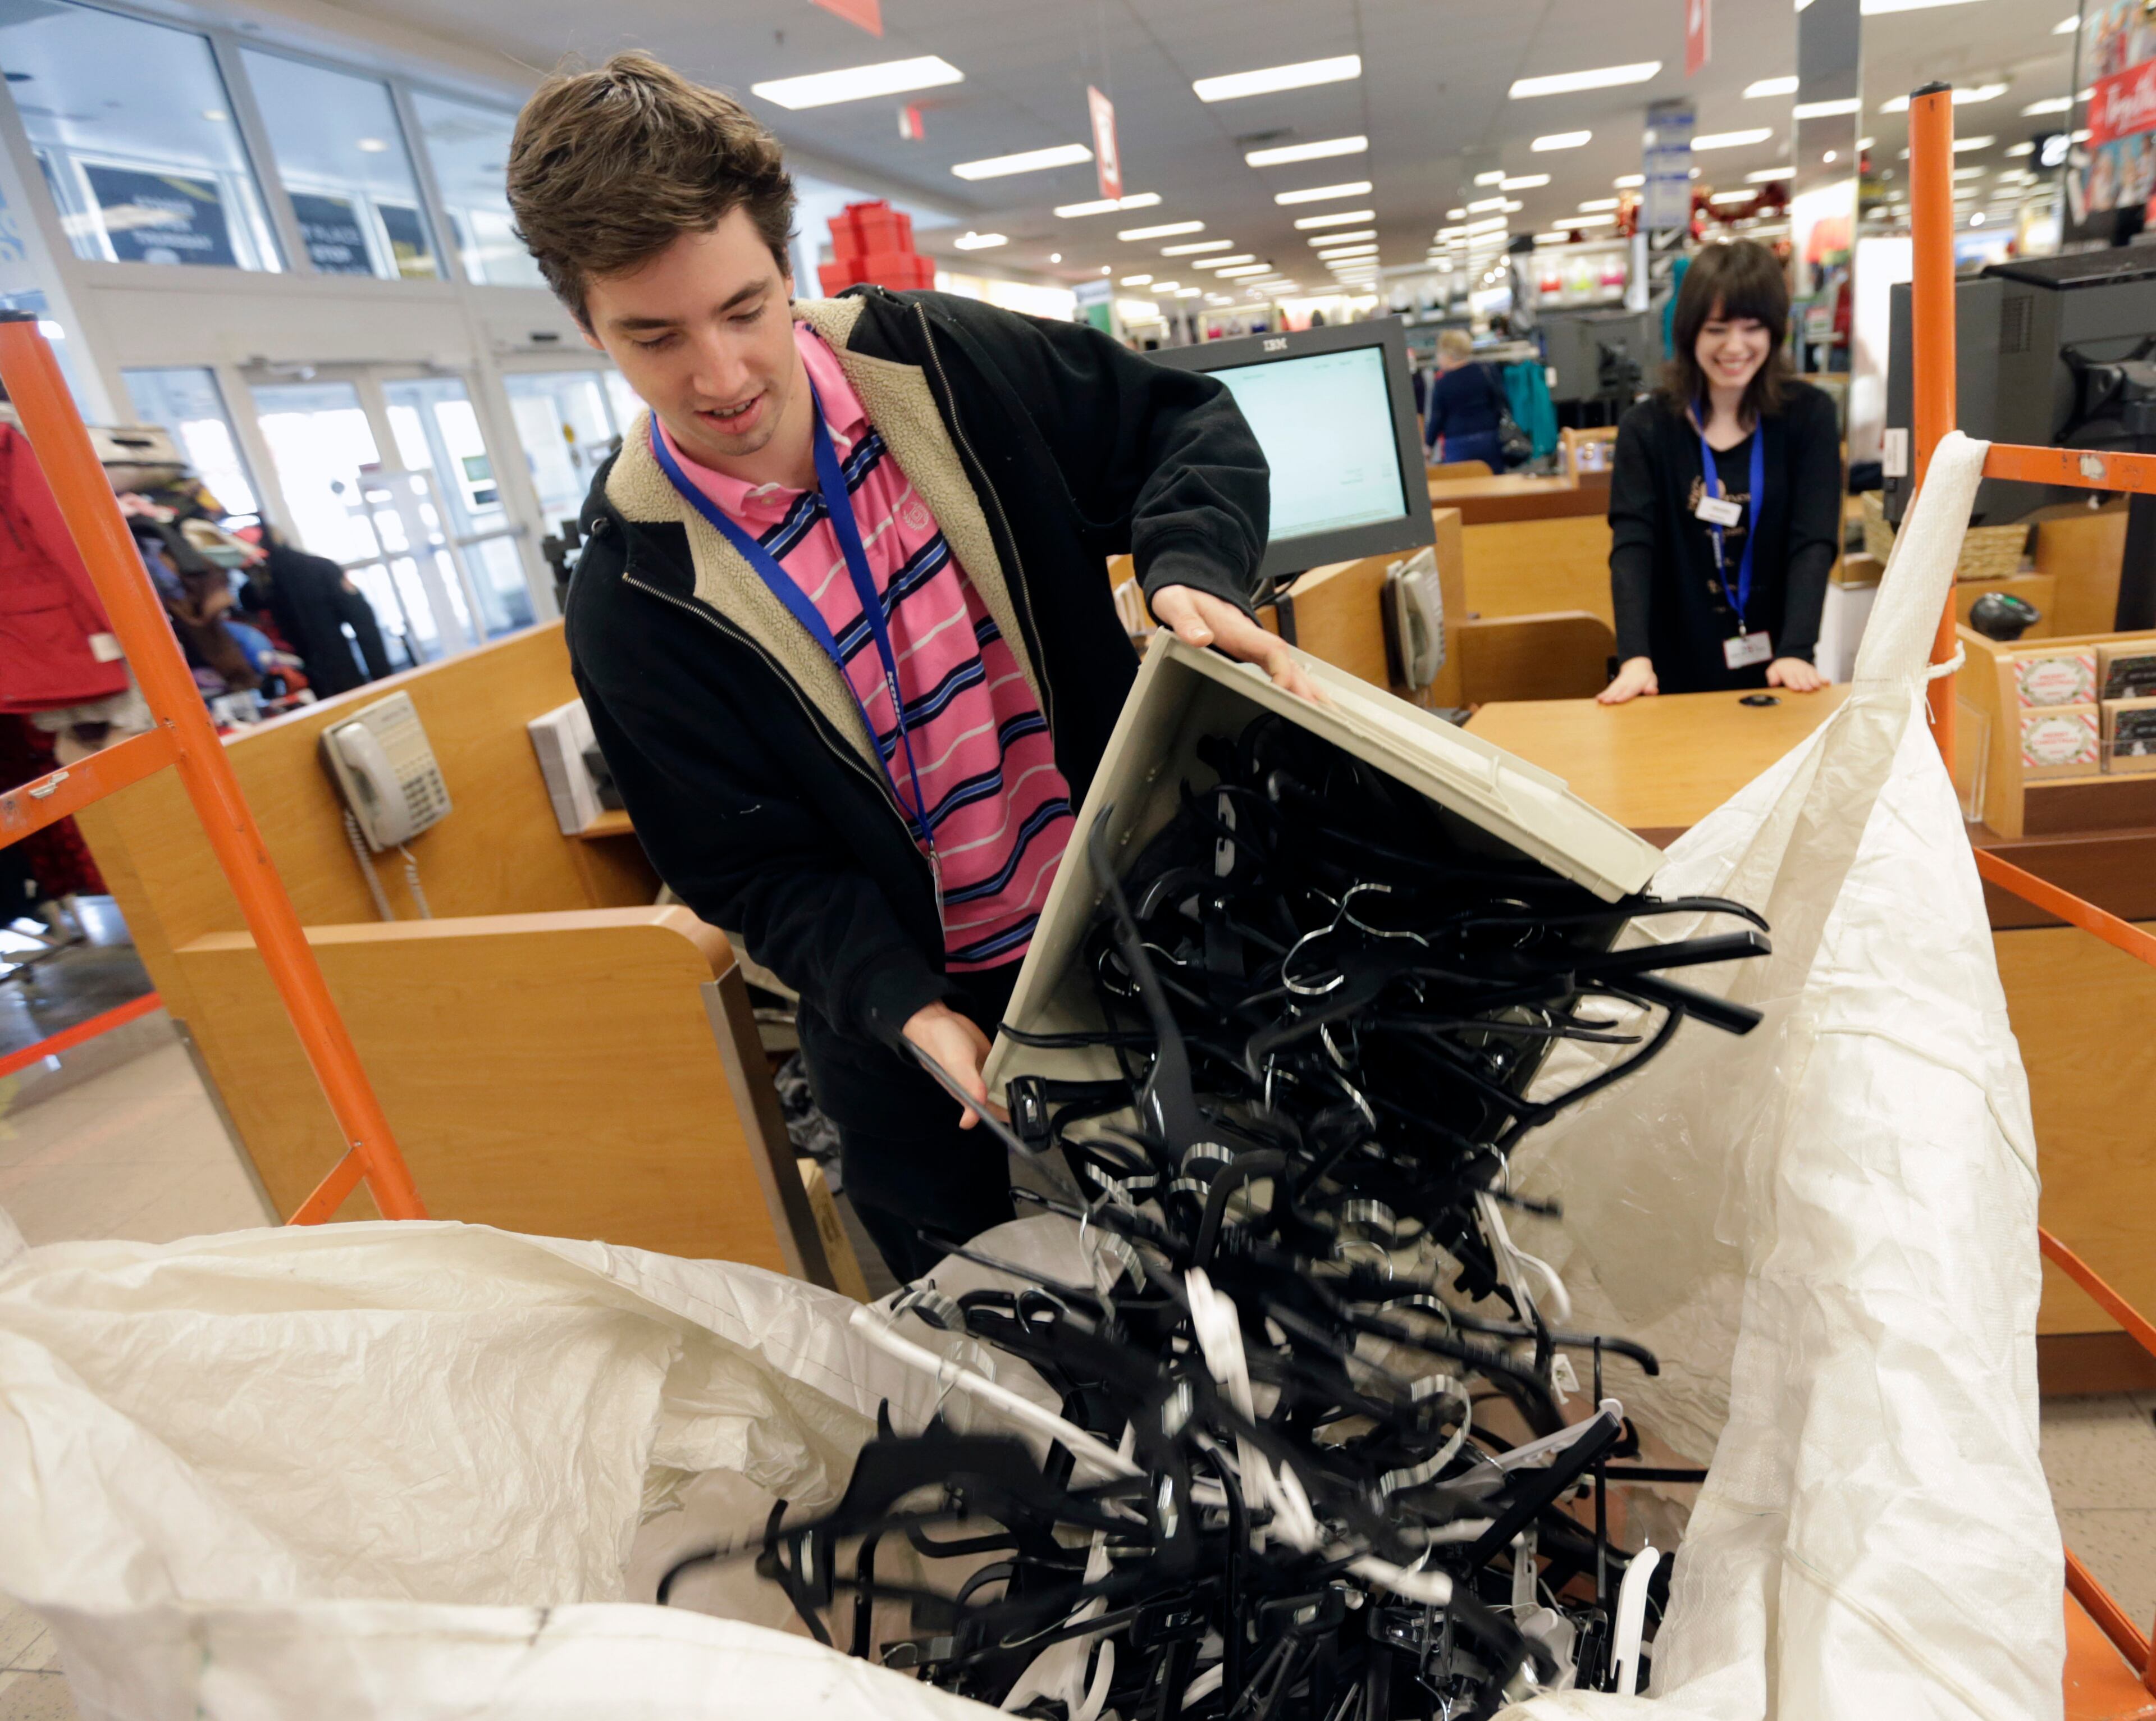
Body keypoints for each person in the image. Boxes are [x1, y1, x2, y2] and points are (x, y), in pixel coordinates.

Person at [506, 53, 1311, 1281]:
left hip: (1138, 928)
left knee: (1250, 1271)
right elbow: (748, 867)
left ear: (790, 268)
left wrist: (1186, 563)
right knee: (1011, 1358)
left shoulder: (941, 365)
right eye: (653, 337)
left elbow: (1182, 423)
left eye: (743, 309)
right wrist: (903, 1007)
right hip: (912, 1033)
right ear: (585, 324)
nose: (719, 376)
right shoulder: (630, 596)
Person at [1599, 241, 1840, 704]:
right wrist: (1634, 656)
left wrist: (1797, 649)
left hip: (1779, 668)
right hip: (1667, 670)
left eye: (1752, 328)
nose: (1735, 346)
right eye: (1716, 329)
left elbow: (1812, 540)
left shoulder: (1808, 415)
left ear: (1774, 332)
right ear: (1690, 334)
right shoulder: (1646, 427)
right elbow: (1633, 546)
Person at [1423, 329, 1508, 469]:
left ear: (1448, 354)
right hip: (1489, 438)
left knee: (1461, 485)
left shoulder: (1443, 383)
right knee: (1493, 485)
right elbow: (1500, 402)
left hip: (1457, 443)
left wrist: (1428, 445)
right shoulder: (1486, 371)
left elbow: (1437, 418)